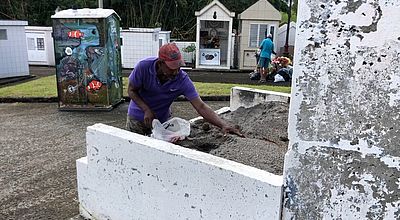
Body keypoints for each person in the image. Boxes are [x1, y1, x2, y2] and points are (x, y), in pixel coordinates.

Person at [126, 43, 244, 141]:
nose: (176, 72)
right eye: (172, 68)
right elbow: (131, 90)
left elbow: (200, 106)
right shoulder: (144, 67)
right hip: (137, 119)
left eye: (179, 67)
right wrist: (146, 109)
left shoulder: (182, 79)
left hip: (162, 121)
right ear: (160, 63)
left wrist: (223, 125)